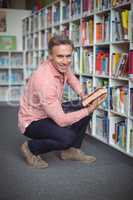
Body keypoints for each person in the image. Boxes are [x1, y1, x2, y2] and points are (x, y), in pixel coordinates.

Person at [18, 35, 107, 169]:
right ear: (51, 56)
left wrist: (84, 96)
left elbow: (72, 79)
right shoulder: (45, 81)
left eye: (68, 56)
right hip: (33, 121)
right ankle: (30, 148)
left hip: (51, 110)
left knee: (85, 105)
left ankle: (70, 150)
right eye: (60, 56)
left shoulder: (62, 66)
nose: (65, 61)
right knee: (67, 137)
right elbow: (61, 120)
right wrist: (88, 110)